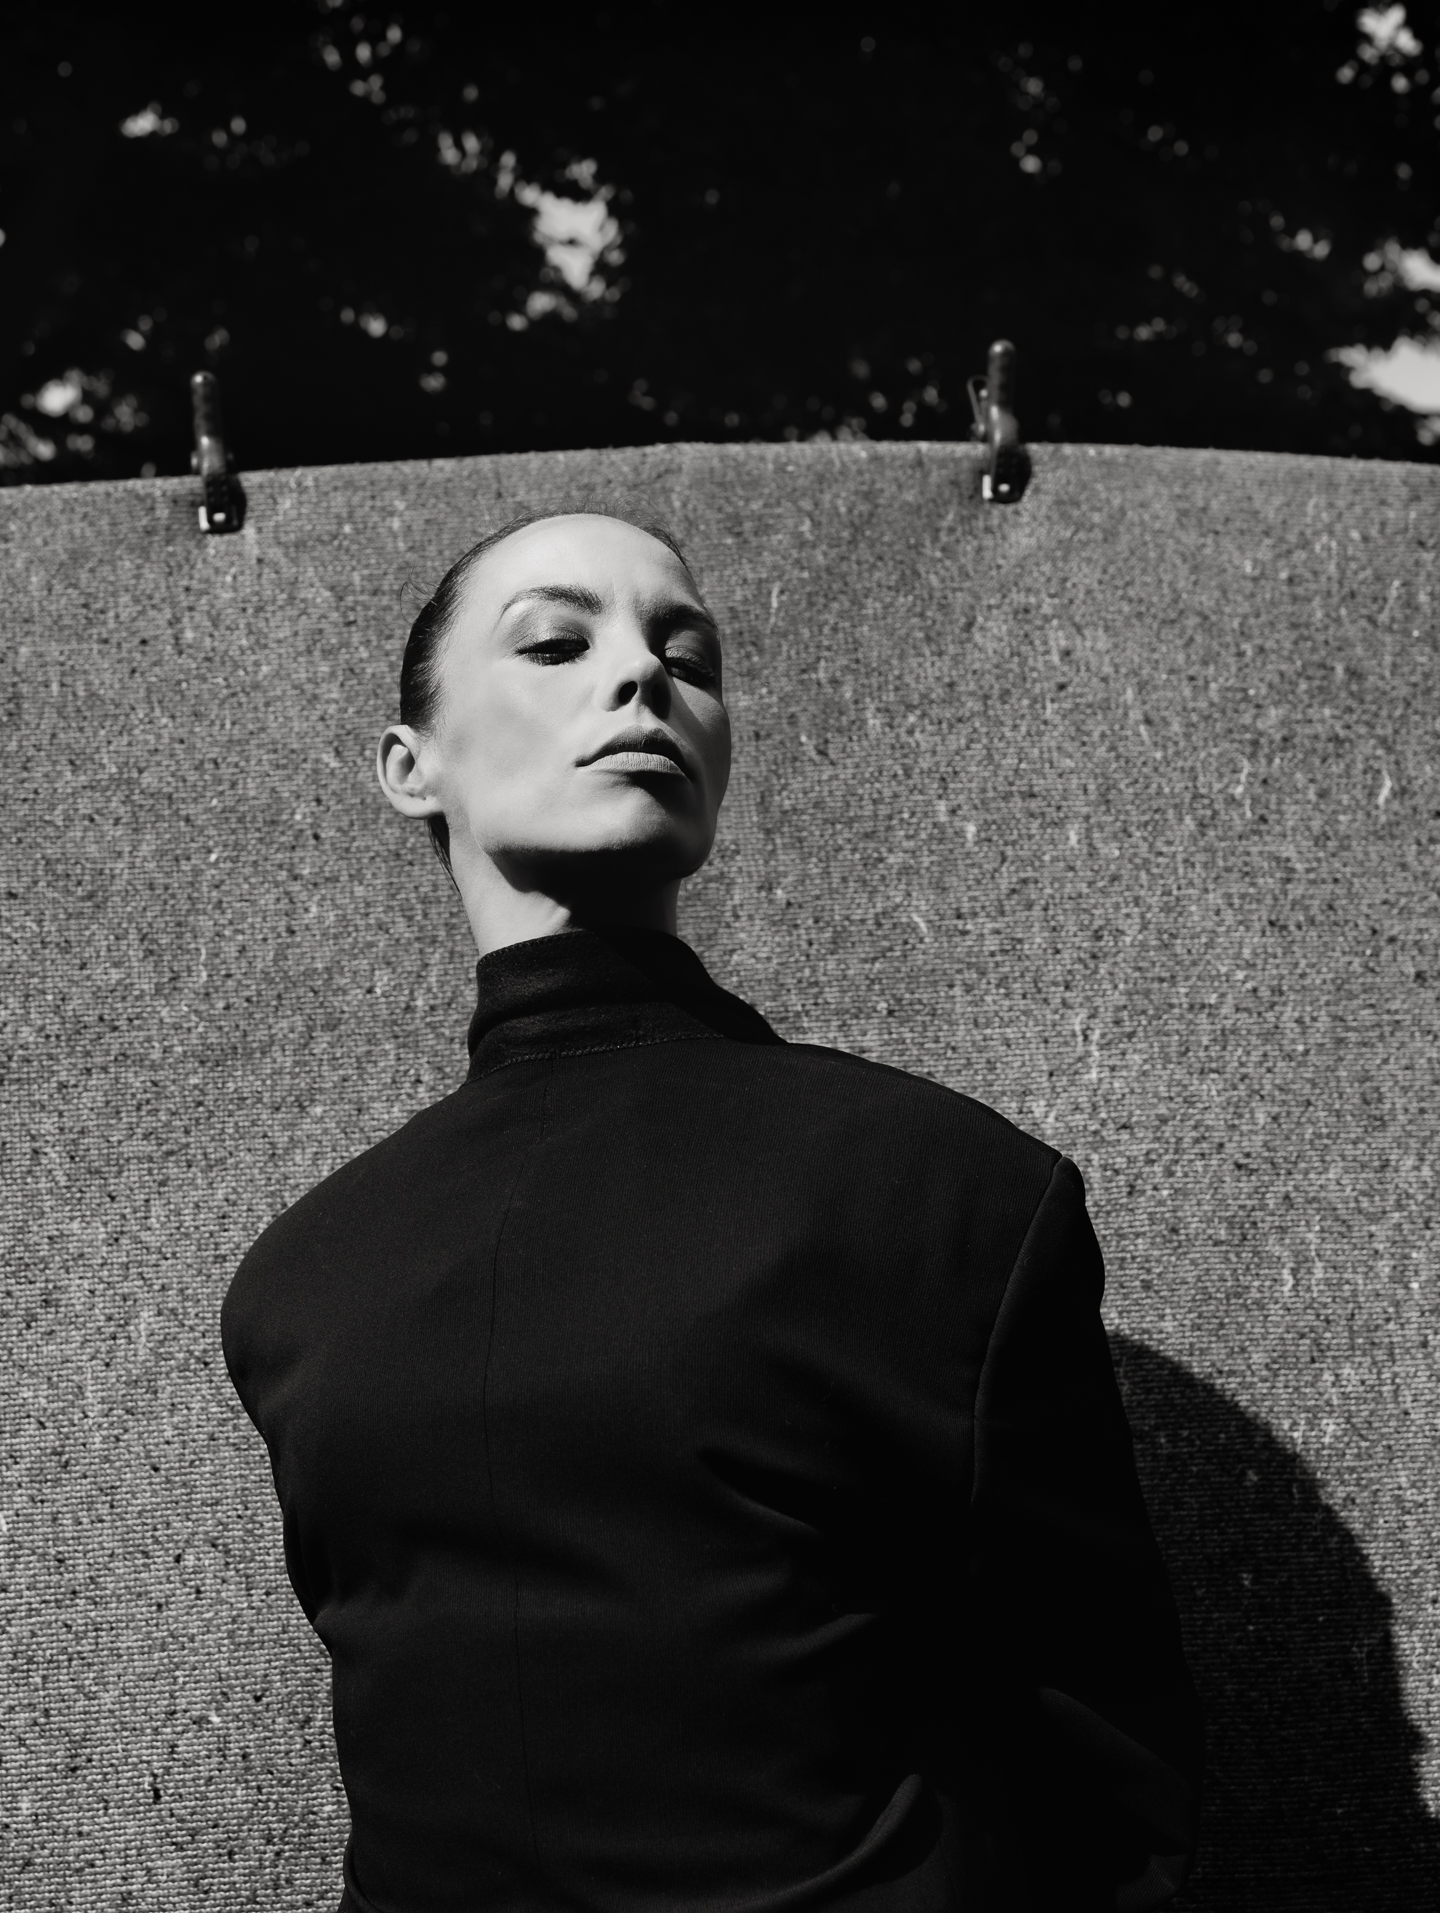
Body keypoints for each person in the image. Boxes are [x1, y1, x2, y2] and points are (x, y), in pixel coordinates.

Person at [220, 509, 1204, 1913]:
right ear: (407, 766)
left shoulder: (944, 1194)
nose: (642, 675)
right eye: (555, 644)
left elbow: (1111, 1775)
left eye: (689, 659)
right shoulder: (295, 1291)